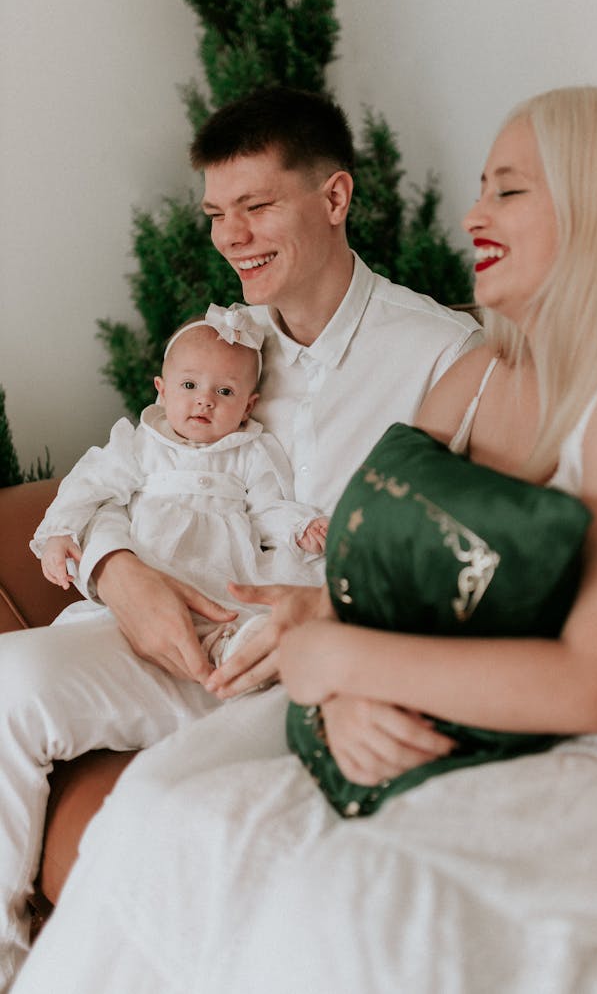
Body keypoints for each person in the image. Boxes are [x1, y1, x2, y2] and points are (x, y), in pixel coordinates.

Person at [15, 85, 597, 994]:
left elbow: (592, 678)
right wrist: (337, 670)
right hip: (428, 678)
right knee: (160, 809)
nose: (473, 212)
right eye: (482, 186)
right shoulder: (476, 373)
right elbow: (384, 571)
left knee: (351, 894)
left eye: (509, 191)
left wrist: (345, 658)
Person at [0, 86, 482, 989]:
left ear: (334, 198)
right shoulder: (222, 344)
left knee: (191, 828)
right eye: (218, 212)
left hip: (301, 668)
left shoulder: (440, 356)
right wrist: (115, 570)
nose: (231, 236)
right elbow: (133, 465)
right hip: (175, 634)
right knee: (6, 681)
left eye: (257, 206)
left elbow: (458, 556)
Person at [32, 306, 329, 665]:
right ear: (162, 390)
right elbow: (91, 482)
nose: (205, 399)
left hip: (224, 569)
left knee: (238, 610)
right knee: (89, 636)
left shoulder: (251, 451)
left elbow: (266, 511)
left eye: (225, 391)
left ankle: (233, 645)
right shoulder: (142, 443)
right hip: (153, 567)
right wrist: (61, 532)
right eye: (189, 385)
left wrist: (300, 527)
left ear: (248, 406)